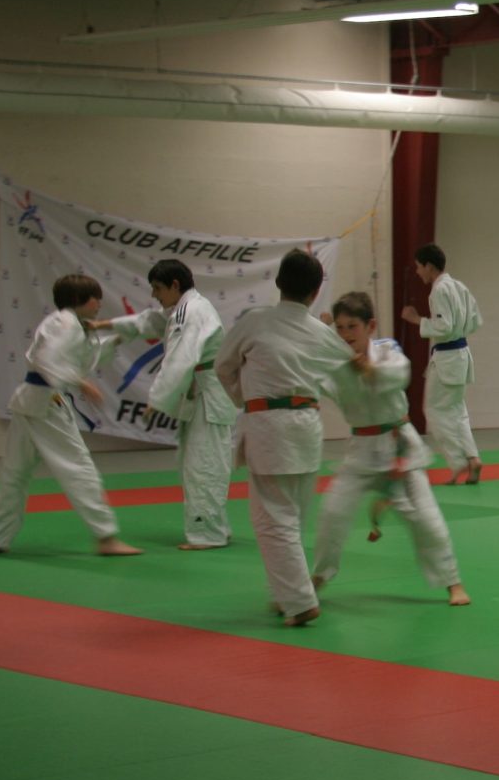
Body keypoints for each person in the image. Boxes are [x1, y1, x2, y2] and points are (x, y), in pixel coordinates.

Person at [215, 250, 357, 627]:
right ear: (315, 292)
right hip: (307, 426)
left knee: (272, 520)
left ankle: (299, 601)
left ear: (278, 284)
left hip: (269, 424)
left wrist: (245, 400)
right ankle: (285, 594)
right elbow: (349, 374)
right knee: (290, 516)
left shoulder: (255, 322)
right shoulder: (322, 334)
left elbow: (222, 366)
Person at [311, 292, 469, 606]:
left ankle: (452, 582)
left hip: (400, 447)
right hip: (361, 451)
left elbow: (400, 376)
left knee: (427, 519)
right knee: (332, 513)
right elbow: (316, 381)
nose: (345, 335)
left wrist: (368, 369)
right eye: (339, 328)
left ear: (370, 326)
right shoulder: (335, 362)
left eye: (352, 327)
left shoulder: (387, 351)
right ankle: (316, 579)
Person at [0, 274, 141, 558]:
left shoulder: (70, 324)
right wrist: (80, 382)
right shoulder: (66, 324)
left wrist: (117, 338)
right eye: (97, 299)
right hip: (46, 404)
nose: (99, 305)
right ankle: (106, 536)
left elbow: (81, 356)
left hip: (30, 402)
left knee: (14, 474)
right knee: (78, 466)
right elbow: (48, 360)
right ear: (87, 299)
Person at [97, 258, 237, 550]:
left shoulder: (191, 310)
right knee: (198, 463)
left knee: (204, 465)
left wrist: (157, 400)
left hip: (208, 397)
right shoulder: (184, 308)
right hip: (202, 395)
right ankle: (215, 528)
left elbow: (180, 358)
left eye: (158, 288)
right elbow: (149, 321)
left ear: (175, 285)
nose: (155, 295)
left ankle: (208, 534)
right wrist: (108, 324)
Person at [401, 243, 483, 485]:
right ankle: (473, 458)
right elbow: (476, 320)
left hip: (447, 357)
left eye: (419, 267)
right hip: (461, 353)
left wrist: (417, 319)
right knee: (458, 412)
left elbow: (444, 326)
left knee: (434, 411)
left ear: (429, 266)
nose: (418, 272)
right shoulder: (459, 286)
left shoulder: (439, 290)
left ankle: (459, 463)